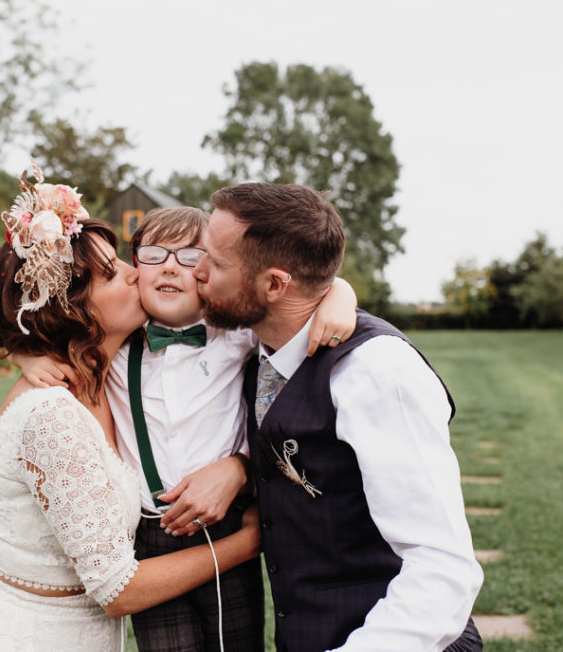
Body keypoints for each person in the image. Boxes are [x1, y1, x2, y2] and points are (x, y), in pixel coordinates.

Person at [0, 169, 261, 652]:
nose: (140, 273)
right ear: (73, 306)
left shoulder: (98, 372)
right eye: (115, 272)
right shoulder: (53, 410)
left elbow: (288, 303)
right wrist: (252, 540)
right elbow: (116, 588)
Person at [14, 205, 359, 652]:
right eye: (155, 254)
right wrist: (27, 354)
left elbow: (300, 295)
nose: (172, 267)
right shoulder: (115, 342)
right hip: (149, 532)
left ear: (210, 273)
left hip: (227, 520)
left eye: (190, 257)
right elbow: (34, 323)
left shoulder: (237, 333)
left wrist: (341, 293)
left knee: (239, 642)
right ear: (135, 269)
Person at [192, 183, 485, 652]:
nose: (197, 272)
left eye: (216, 262)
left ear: (274, 284)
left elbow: (442, 566)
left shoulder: (376, 373)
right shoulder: (252, 344)